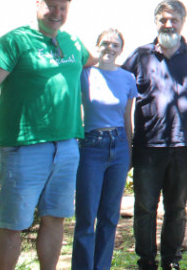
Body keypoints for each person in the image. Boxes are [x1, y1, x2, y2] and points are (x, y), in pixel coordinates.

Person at [0, 0, 90, 270]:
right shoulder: (15, 42)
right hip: (24, 147)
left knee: (55, 218)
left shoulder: (73, 42)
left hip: (68, 146)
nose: (56, 13)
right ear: (37, 5)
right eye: (51, 6)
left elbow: (96, 63)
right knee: (13, 224)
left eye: (63, 8)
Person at [123, 0, 187, 270]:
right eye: (163, 19)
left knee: (177, 209)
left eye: (174, 19)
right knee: (145, 208)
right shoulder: (140, 55)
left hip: (183, 147)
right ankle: (146, 260)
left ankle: (171, 260)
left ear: (183, 21)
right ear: (156, 21)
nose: (168, 24)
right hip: (147, 147)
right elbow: (116, 86)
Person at [73, 28, 137, 270]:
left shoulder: (128, 78)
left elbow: (128, 117)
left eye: (115, 45)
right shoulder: (85, 74)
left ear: (121, 49)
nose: (110, 48)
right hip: (91, 147)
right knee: (86, 218)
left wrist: (129, 151)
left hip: (119, 147)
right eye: (105, 43)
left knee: (110, 218)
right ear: (97, 46)